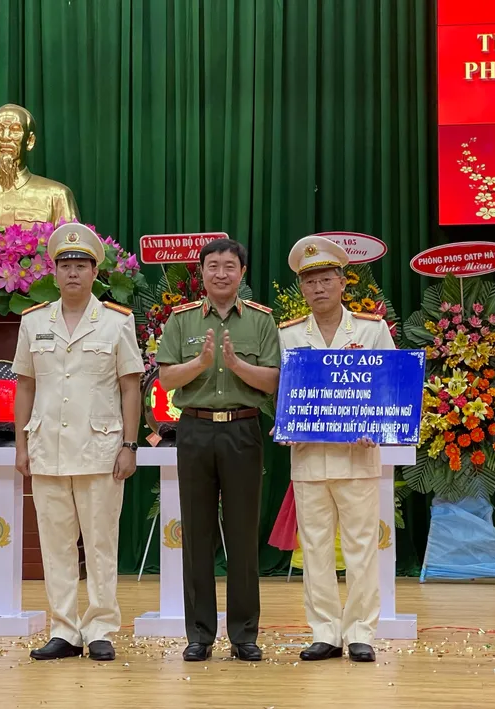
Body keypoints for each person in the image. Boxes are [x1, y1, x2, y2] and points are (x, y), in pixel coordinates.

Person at [12, 222, 143, 662]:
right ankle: (65, 628)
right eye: (65, 265)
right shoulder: (33, 323)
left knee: (102, 541)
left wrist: (130, 444)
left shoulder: (116, 322)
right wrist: (20, 444)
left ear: (94, 273)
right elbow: (25, 386)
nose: (73, 273)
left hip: (100, 450)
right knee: (56, 544)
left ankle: (102, 626)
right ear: (54, 273)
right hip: (46, 447)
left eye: (81, 265)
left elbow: (130, 387)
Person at [156, 238, 281, 662]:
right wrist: (201, 363)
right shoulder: (182, 320)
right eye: (213, 266)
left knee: (244, 536)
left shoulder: (262, 321)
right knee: (197, 535)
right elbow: (168, 381)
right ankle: (200, 635)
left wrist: (237, 364)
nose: (221, 273)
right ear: (202, 273)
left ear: (242, 273)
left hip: (243, 432)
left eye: (230, 266)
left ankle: (244, 634)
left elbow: (273, 382)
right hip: (195, 432)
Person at [275, 236, 393, 663]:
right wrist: (286, 424)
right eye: (310, 282)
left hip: (358, 455)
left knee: (362, 546)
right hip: (308, 456)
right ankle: (325, 630)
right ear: (301, 289)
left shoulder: (371, 329)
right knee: (316, 549)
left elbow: (389, 387)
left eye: (326, 279)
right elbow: (282, 390)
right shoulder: (288, 334)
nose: (319, 288)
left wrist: (375, 427)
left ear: (343, 282)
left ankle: (361, 630)